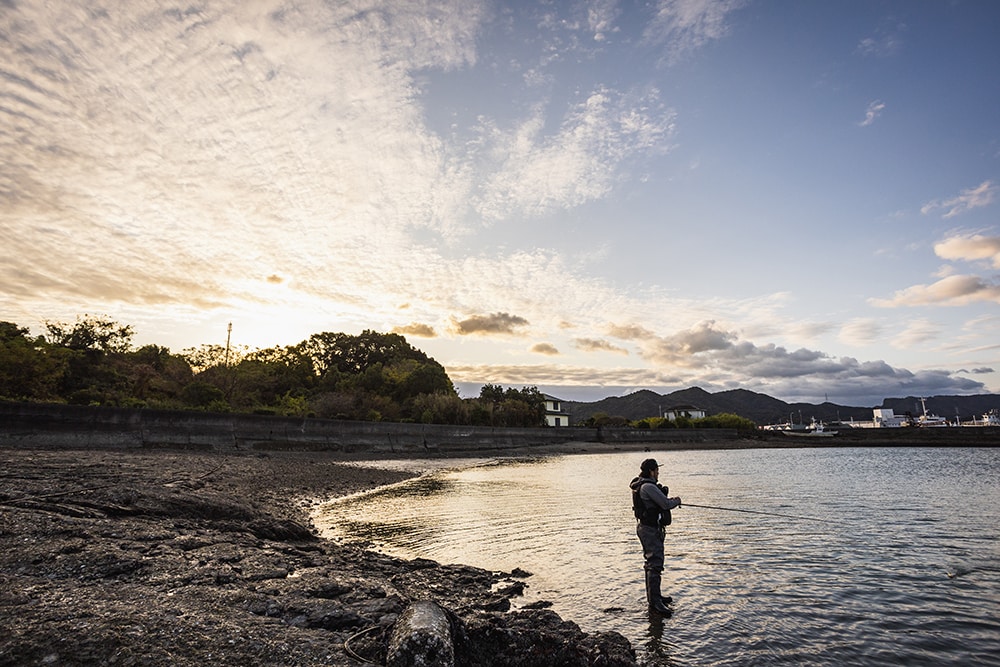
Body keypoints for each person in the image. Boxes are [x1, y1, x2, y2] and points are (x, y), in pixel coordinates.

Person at [630, 458, 681, 615]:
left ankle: (655, 597)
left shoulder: (641, 484)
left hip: (646, 527)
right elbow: (665, 504)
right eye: (657, 470)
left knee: (652, 563)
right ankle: (655, 603)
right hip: (649, 529)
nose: (658, 473)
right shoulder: (647, 487)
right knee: (655, 564)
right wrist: (677, 500)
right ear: (651, 471)